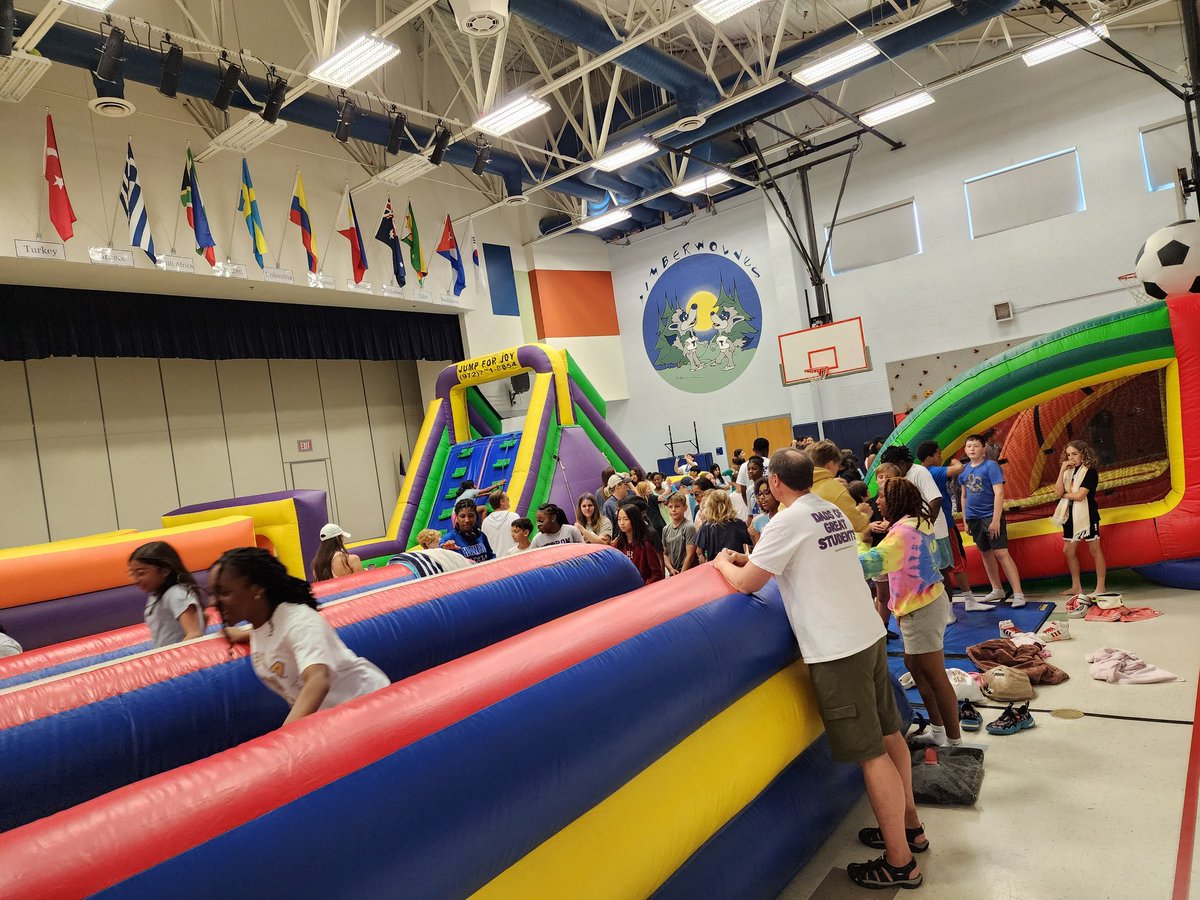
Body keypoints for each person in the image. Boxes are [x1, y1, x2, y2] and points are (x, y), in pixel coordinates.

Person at [714, 449, 924, 890]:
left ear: (773, 483)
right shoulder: (828, 509)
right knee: (890, 736)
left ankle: (900, 863)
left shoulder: (786, 520)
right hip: (866, 634)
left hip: (837, 649)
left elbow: (748, 582)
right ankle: (910, 829)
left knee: (871, 755)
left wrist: (720, 562)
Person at [213, 547, 389, 725]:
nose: (214, 602)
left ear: (256, 589)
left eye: (225, 593)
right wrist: (244, 634)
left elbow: (317, 680)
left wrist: (285, 739)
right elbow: (279, 635)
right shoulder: (263, 624)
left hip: (370, 706)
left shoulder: (300, 620)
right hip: (336, 717)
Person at [859, 478, 962, 749]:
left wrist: (858, 538)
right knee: (914, 666)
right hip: (925, 603)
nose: (877, 501)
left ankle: (953, 740)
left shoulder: (901, 535)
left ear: (895, 501)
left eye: (881, 496)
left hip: (922, 609)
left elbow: (868, 566)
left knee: (935, 675)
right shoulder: (918, 522)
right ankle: (939, 731)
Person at [916, 441, 987, 611]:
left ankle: (954, 603)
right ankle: (965, 600)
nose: (940, 457)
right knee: (955, 563)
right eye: (938, 454)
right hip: (944, 525)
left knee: (945, 564)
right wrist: (954, 459)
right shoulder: (932, 471)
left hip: (932, 526)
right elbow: (958, 469)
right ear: (929, 457)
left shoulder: (919, 473)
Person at [959, 434, 1026, 606]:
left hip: (990, 515)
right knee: (985, 553)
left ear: (983, 449)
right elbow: (964, 496)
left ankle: (1018, 593)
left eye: (975, 446)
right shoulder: (965, 470)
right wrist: (966, 520)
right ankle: (996, 589)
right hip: (974, 517)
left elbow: (999, 493)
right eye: (969, 446)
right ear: (965, 450)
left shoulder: (991, 466)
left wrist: (995, 520)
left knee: (1001, 552)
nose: (972, 449)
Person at [1054, 440, 1107, 596]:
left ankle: (1101, 587)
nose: (1071, 458)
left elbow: (1079, 496)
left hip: (1087, 515)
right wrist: (1062, 469)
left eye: (1075, 454)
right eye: (1068, 454)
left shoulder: (1090, 471)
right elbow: (1058, 490)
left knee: (1094, 549)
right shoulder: (1069, 471)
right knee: (1068, 551)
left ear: (1083, 453)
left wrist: (1064, 494)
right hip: (1069, 515)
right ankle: (1076, 586)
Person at [128, 541, 205, 647]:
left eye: (141, 573)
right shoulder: (157, 595)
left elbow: (194, 634)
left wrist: (174, 659)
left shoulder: (176, 593)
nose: (135, 580)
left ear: (165, 571)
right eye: (132, 574)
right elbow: (205, 617)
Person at [807, 440, 872, 534]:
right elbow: (858, 523)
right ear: (830, 464)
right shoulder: (835, 490)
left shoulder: (795, 484)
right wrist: (865, 514)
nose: (837, 469)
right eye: (837, 465)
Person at [613, 502, 664, 584]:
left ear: (634, 520)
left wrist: (644, 585)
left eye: (626, 519)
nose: (622, 523)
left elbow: (657, 573)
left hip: (644, 589)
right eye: (619, 519)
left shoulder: (645, 544)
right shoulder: (618, 544)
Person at [695, 489, 753, 562]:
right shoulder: (739, 523)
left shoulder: (706, 526)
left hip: (716, 564)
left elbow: (699, 551)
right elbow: (750, 545)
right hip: (736, 563)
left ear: (710, 506)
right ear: (729, 504)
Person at [441, 497, 496, 563]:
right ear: (457, 518)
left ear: (476, 516)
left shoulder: (481, 535)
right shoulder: (449, 538)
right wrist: (444, 547)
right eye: (462, 516)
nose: (467, 520)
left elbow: (491, 557)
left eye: (471, 516)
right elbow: (440, 548)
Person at [661, 492, 698, 576]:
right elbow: (665, 554)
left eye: (677, 506)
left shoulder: (689, 527)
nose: (673, 509)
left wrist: (682, 575)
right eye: (670, 507)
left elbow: (690, 555)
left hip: (689, 573)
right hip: (674, 573)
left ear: (685, 508)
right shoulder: (665, 529)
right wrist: (670, 569)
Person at [481, 490, 518, 557]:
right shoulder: (514, 516)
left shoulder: (485, 522)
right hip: (512, 558)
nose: (509, 501)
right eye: (507, 499)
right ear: (502, 502)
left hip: (494, 560)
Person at [749, 476, 779, 543]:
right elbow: (758, 551)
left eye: (766, 492)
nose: (762, 497)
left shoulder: (786, 516)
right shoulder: (758, 522)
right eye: (759, 494)